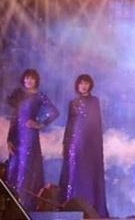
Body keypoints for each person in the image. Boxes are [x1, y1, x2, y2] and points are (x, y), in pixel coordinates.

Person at [6, 68, 60, 210]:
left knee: (26, 168)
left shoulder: (39, 96)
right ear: (23, 79)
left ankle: (26, 204)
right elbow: (14, 118)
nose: (29, 80)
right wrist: (9, 139)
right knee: (13, 168)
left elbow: (54, 112)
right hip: (16, 136)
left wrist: (39, 123)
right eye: (27, 78)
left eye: (32, 78)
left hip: (29, 136)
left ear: (36, 81)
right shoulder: (19, 96)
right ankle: (14, 205)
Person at [58, 74, 109, 217]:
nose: (84, 86)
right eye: (81, 83)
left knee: (89, 173)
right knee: (74, 171)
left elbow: (97, 124)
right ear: (77, 85)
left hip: (90, 143)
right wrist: (65, 143)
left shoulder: (94, 101)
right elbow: (69, 124)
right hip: (74, 142)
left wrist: (96, 144)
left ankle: (90, 206)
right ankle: (72, 205)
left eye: (86, 83)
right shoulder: (73, 102)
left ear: (90, 85)